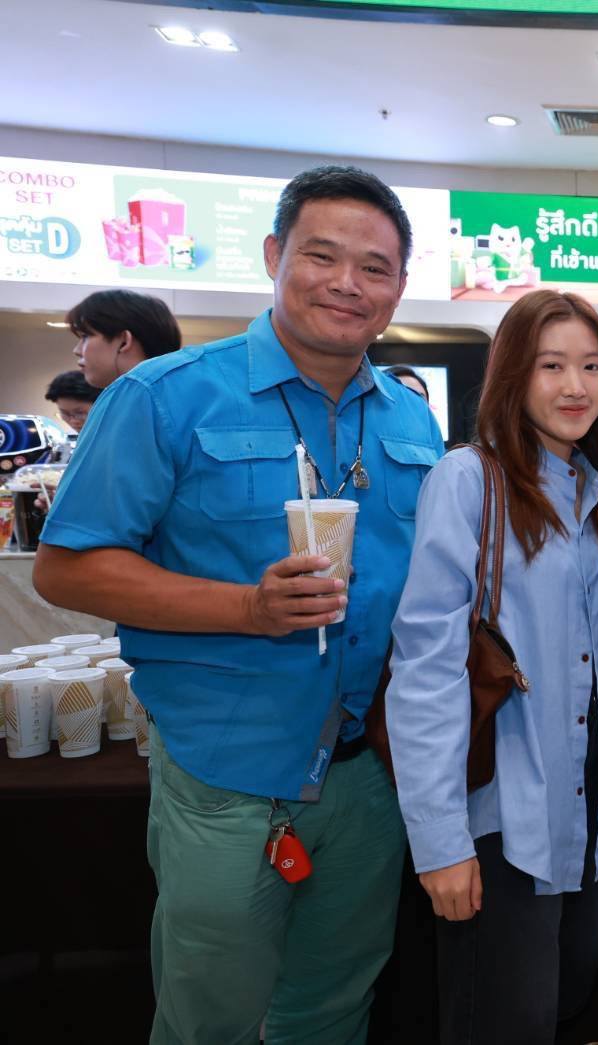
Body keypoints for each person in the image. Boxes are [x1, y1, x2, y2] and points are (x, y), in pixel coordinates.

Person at [33, 164, 444, 1044]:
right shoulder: (165, 395)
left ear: (398, 287)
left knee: (333, 1008)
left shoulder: (411, 423)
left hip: (368, 774)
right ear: (272, 255)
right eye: (321, 256)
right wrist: (246, 608)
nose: (347, 283)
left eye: (374, 267)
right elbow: (66, 569)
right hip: (226, 776)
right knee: (209, 1018)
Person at [387, 290, 598, 1043]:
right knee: (506, 1020)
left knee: (564, 999)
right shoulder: (470, 481)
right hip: (503, 813)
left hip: (585, 804)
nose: (576, 386)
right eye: (551, 365)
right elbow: (426, 667)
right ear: (513, 373)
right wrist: (440, 841)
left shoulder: (595, 487)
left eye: (592, 366)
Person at [66, 288, 182, 389]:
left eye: (85, 336)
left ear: (124, 342)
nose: (77, 350)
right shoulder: (176, 395)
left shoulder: (138, 404)